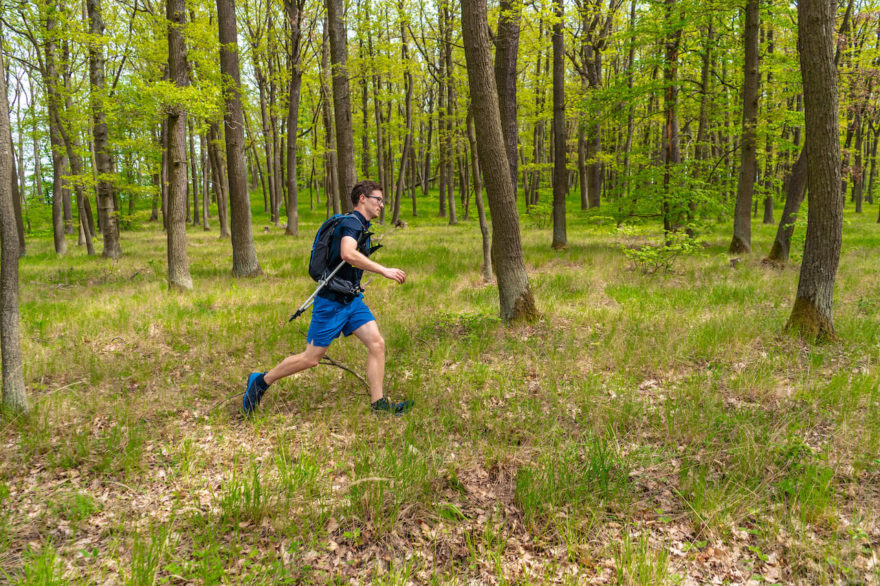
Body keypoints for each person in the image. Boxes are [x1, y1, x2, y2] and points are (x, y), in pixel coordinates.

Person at [243, 180, 413, 415]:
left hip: (351, 300)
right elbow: (347, 252)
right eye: (378, 199)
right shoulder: (351, 224)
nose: (381, 205)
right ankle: (261, 381)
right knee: (311, 358)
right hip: (332, 302)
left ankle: (379, 404)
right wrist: (383, 270)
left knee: (377, 343)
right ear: (362, 199)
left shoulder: (359, 225)